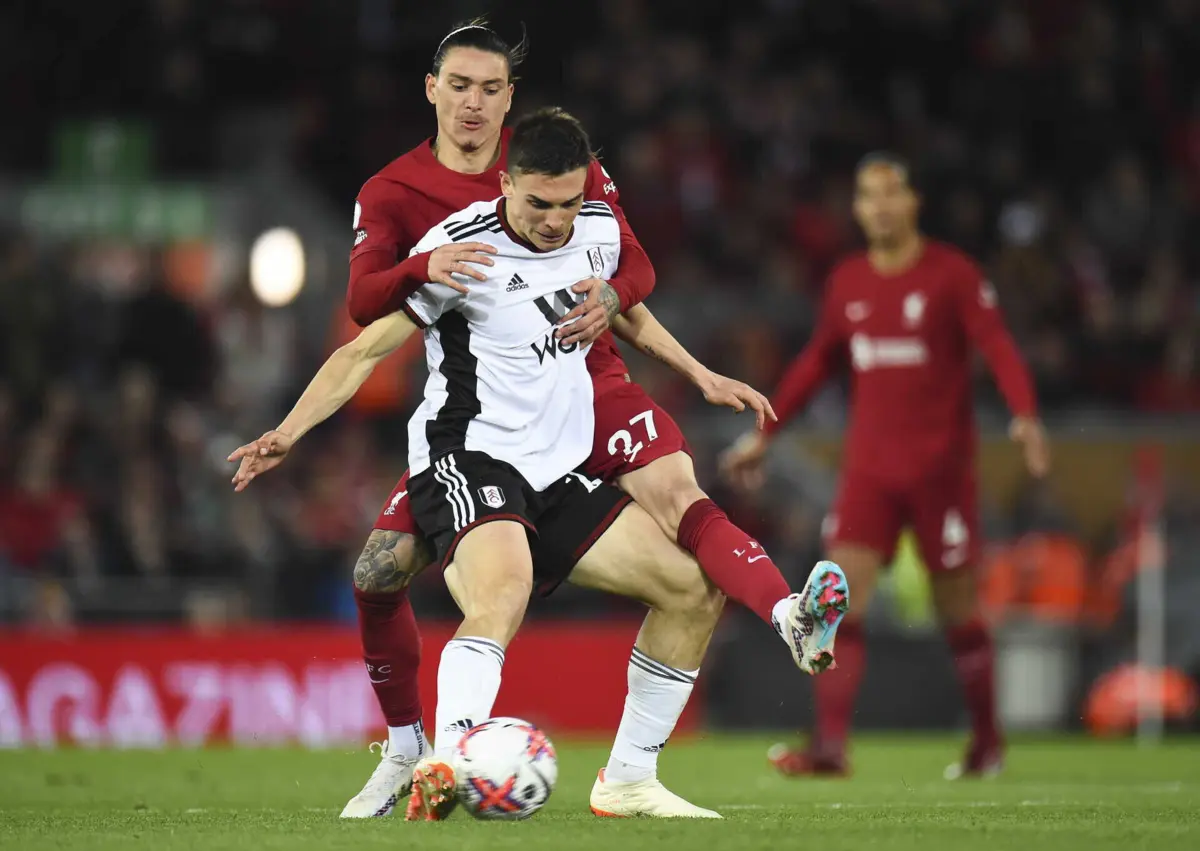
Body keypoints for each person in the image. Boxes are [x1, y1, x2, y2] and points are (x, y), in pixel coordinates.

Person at [237, 18, 844, 817]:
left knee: (693, 588)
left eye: (569, 201)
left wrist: (696, 370)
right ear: (502, 187)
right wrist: (290, 428)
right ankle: (438, 760)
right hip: (472, 452)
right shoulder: (460, 247)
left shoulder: (591, 219)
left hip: (557, 458)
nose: (557, 219)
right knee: (466, 582)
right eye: (460, 85)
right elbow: (360, 345)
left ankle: (629, 777)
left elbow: (629, 294)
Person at [722, 153, 1050, 779]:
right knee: (838, 604)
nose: (878, 206)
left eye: (890, 193)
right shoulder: (848, 282)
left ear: (912, 202)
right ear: (857, 208)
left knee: (960, 613)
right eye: (866, 195)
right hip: (869, 474)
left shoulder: (952, 275)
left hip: (941, 475)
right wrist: (765, 434)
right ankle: (830, 748)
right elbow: (817, 361)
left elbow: (997, 344)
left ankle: (986, 744)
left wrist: (1026, 415)